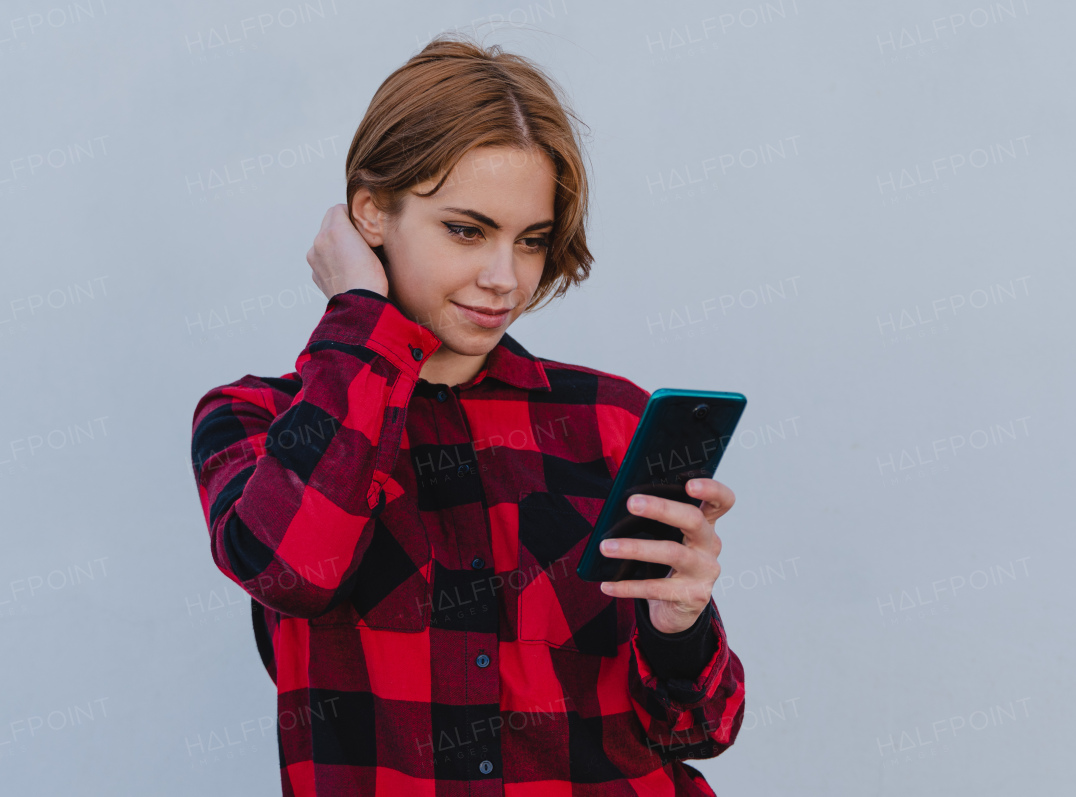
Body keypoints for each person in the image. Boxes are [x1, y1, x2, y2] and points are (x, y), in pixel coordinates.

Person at [189, 33, 745, 796]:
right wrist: (359, 311)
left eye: (532, 241)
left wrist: (681, 622)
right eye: (466, 229)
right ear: (370, 214)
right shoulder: (253, 420)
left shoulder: (611, 419)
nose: (503, 278)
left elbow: (700, 729)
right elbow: (292, 571)